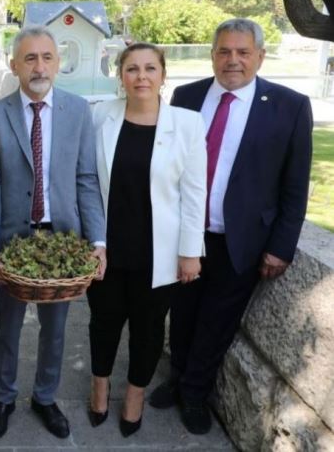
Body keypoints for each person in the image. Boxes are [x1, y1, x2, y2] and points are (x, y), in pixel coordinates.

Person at [149, 18, 313, 434]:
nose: (233, 60)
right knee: (182, 314)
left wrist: (282, 246)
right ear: (212, 54)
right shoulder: (186, 97)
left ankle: (195, 394)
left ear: (259, 55)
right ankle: (177, 377)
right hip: (188, 235)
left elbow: (295, 187)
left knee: (218, 321)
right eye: (224, 51)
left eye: (243, 52)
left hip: (242, 240)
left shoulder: (289, 106)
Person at [0, 25, 107, 441]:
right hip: (14, 243)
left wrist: (98, 241)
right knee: (7, 328)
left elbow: (86, 178)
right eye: (29, 58)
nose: (39, 66)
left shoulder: (78, 110)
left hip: (64, 242)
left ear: (58, 62)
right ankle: (4, 396)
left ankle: (45, 397)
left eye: (46, 57)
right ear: (14, 65)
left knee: (56, 329)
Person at [89, 42, 206, 437]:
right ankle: (100, 384)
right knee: (103, 322)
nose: (141, 76)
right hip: (106, 246)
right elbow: (86, 182)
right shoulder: (100, 115)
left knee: (149, 327)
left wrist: (191, 252)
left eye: (149, 69)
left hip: (159, 250)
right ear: (120, 76)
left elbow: (194, 193)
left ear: (162, 75)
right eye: (132, 69)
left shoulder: (187, 124)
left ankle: (135, 393)